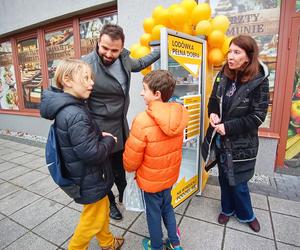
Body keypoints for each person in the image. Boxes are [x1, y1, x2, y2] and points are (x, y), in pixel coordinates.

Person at [40, 59, 124, 250]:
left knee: (100, 211)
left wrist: (97, 134)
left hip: (87, 176)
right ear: (67, 80)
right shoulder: (75, 113)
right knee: (91, 220)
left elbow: (77, 140)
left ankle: (107, 242)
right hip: (89, 178)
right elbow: (92, 153)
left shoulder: (71, 108)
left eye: (91, 78)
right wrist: (109, 141)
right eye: (85, 78)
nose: (91, 82)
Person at [82, 24, 160, 220]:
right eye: (104, 48)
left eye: (114, 50)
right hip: (100, 131)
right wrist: (90, 131)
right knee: (104, 172)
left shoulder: (124, 59)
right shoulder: (86, 65)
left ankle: (125, 196)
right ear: (98, 42)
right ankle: (109, 204)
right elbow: (78, 99)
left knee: (120, 167)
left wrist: (161, 50)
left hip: (120, 125)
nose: (108, 54)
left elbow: (140, 63)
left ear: (122, 47)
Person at [201, 35, 269, 233]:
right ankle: (227, 209)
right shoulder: (224, 73)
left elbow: (258, 116)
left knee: (239, 183)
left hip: (242, 144)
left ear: (248, 57)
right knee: (223, 177)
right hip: (220, 140)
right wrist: (212, 112)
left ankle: (247, 214)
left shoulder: (259, 80)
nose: (230, 56)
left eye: (236, 52)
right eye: (229, 51)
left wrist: (228, 127)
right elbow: (213, 99)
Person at [123, 70, 188, 250]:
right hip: (169, 176)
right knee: (168, 207)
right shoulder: (179, 115)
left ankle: (156, 246)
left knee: (153, 214)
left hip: (150, 180)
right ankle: (175, 243)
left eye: (144, 89)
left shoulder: (142, 120)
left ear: (157, 94)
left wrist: (128, 168)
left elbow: (131, 159)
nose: (141, 93)